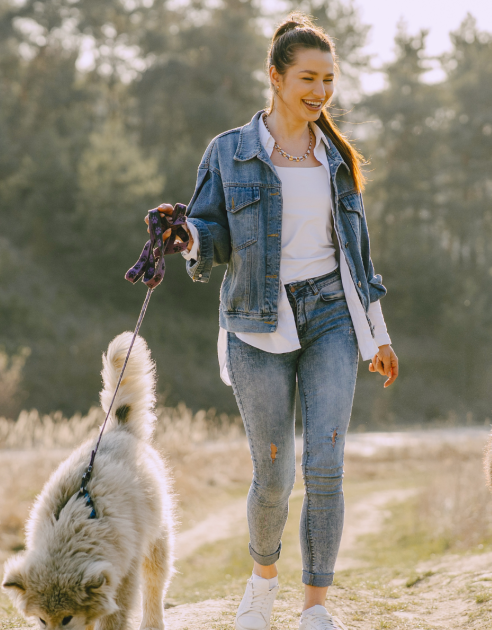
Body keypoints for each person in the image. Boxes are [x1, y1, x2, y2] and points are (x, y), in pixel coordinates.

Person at [146, 13, 398, 630]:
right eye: (308, 78)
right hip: (256, 321)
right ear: (276, 77)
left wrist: (379, 333)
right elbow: (209, 232)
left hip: (334, 317)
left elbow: (358, 256)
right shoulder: (229, 152)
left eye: (329, 81)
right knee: (275, 470)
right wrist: (185, 238)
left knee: (326, 468)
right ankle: (262, 584)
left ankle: (316, 610)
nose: (319, 91)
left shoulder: (336, 156)